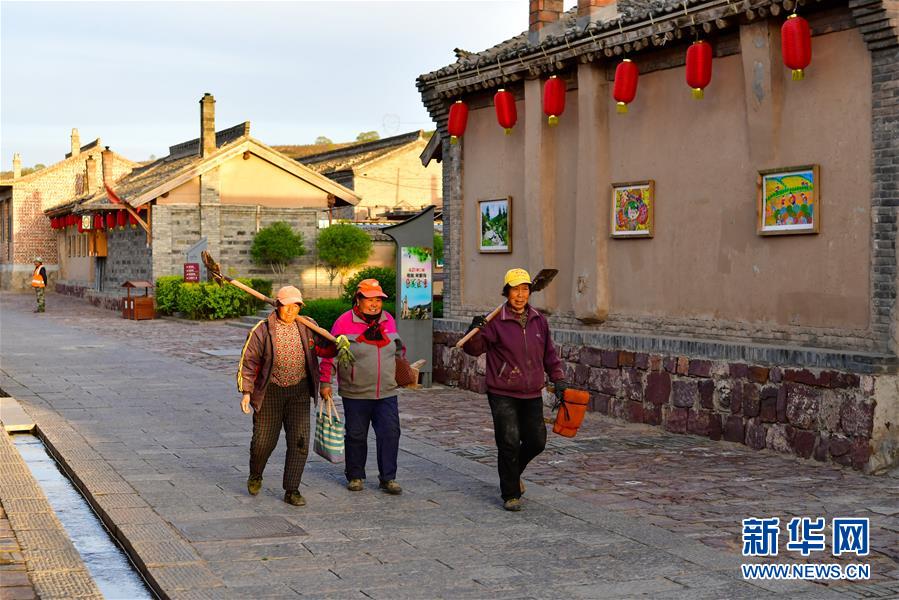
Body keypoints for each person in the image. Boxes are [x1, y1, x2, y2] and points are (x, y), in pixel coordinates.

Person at [462, 268, 568, 512]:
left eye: (524, 289)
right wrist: (473, 330)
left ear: (529, 291)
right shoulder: (495, 321)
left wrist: (558, 378)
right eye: (515, 290)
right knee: (508, 441)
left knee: (537, 441)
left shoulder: (539, 320)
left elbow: (549, 354)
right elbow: (473, 349)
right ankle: (510, 494)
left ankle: (511, 473)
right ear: (506, 291)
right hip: (502, 391)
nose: (520, 295)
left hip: (531, 390)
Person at [236, 285, 334, 506]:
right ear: (277, 305)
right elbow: (249, 361)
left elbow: (326, 349)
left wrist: (339, 344)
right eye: (286, 306)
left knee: (299, 441)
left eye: (296, 306)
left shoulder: (308, 326)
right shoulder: (262, 330)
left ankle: (292, 489)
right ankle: (256, 473)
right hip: (270, 391)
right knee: (263, 442)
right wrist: (246, 391)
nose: (291, 310)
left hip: (299, 390)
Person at [320, 279, 405, 495]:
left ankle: (388, 478)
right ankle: (355, 475)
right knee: (356, 435)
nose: (375, 304)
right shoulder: (343, 322)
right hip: (355, 391)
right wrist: (325, 381)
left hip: (386, 391)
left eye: (378, 299)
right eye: (369, 299)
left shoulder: (388, 320)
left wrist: (404, 371)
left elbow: (397, 351)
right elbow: (331, 355)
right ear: (358, 300)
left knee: (390, 433)